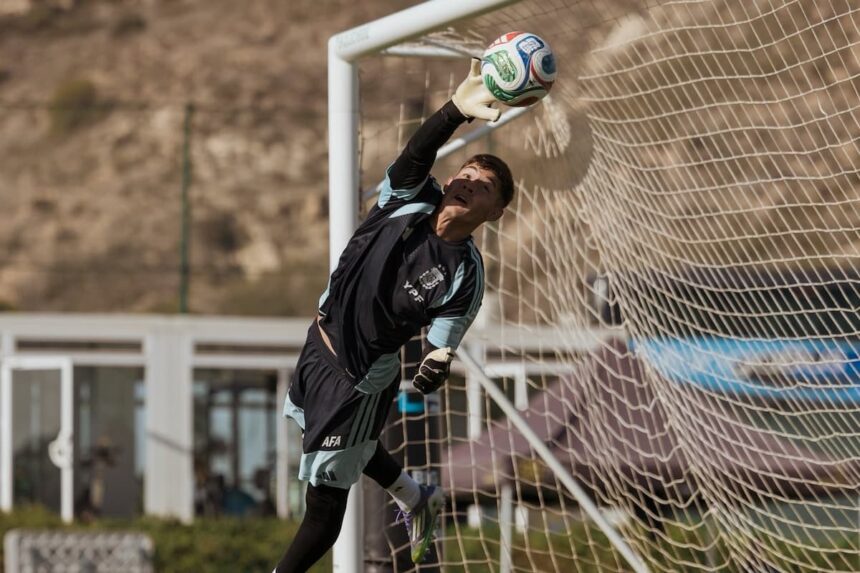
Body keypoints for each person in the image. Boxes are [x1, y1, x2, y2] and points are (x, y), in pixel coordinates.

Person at [274, 60, 514, 572]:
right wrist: (454, 111)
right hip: (318, 343)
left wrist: (435, 364)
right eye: (466, 174)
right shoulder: (406, 196)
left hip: (358, 380)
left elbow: (441, 347)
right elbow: (417, 152)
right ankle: (415, 495)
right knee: (337, 449)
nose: (469, 182)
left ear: (494, 212)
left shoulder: (465, 274)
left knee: (324, 500)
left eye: (484, 185)